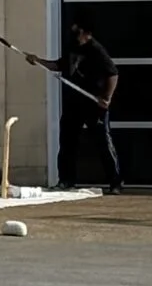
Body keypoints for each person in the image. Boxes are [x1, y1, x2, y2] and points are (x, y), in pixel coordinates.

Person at [27, 19, 122, 191]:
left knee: (103, 142)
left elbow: (113, 74)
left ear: (87, 34)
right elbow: (59, 65)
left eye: (78, 33)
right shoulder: (72, 47)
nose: (75, 36)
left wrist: (106, 98)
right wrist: (38, 61)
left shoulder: (96, 50)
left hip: (94, 104)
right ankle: (66, 180)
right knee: (67, 141)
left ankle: (115, 182)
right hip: (74, 102)